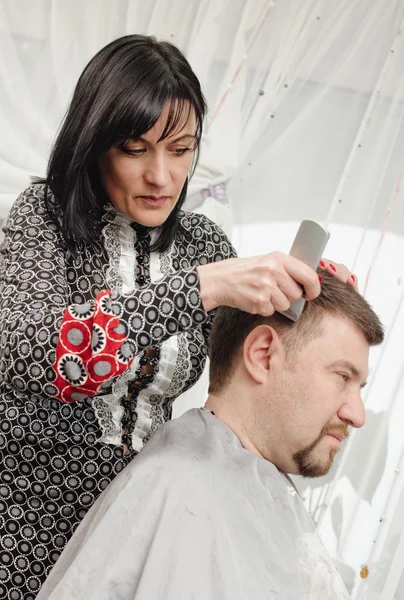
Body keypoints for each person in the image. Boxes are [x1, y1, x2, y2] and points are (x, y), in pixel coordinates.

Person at [0, 34, 357, 599]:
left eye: (181, 148)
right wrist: (202, 288)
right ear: (93, 145)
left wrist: (310, 294)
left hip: (147, 519)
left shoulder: (203, 244)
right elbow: (36, 355)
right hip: (27, 526)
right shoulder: (42, 219)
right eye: (136, 149)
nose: (162, 177)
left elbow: (254, 352)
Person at [35, 271, 384, 600]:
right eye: (342, 376)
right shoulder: (178, 493)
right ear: (263, 356)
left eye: (360, 387)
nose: (357, 414)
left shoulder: (258, 489)